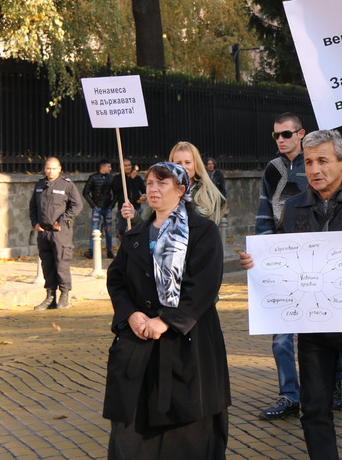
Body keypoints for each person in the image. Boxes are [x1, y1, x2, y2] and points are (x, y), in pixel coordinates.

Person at [240, 130, 342, 460]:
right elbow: (280, 255)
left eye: (323, 161)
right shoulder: (295, 207)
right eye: (309, 162)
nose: (314, 169)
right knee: (313, 408)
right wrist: (258, 263)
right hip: (312, 326)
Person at [104, 162, 230, 459]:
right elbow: (116, 279)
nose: (153, 189)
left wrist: (167, 321)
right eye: (149, 183)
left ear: (181, 190)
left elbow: (204, 285)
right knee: (134, 430)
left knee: (187, 432)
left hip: (187, 344)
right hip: (140, 344)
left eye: (162, 183)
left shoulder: (202, 231)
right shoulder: (137, 234)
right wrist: (130, 315)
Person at [256, 112, 309, 420]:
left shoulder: (315, 160)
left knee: (322, 328)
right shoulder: (272, 168)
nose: (280, 140)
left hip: (315, 256)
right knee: (281, 333)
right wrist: (264, 249)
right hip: (281, 256)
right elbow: (264, 208)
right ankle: (289, 394)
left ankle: (330, 391)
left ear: (301, 134)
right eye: (276, 135)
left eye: (286, 134)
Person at [30, 157, 83, 310]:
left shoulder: (67, 185)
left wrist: (63, 220)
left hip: (60, 232)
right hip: (44, 232)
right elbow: (33, 206)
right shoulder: (40, 185)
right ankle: (50, 297)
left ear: (59, 169)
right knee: (47, 264)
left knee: (61, 264)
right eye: (48, 168)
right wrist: (35, 223)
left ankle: (64, 296)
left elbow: (77, 205)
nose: (50, 171)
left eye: (53, 168)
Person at [169, 142, 226, 224]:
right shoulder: (163, 191)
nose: (183, 168)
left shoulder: (208, 192)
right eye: (178, 163)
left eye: (188, 162)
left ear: (196, 164)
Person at [83, 158, 115, 258]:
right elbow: (85, 192)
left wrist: (112, 204)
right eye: (108, 167)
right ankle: (92, 251)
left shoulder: (111, 178)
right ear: (103, 167)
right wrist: (93, 205)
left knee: (108, 229)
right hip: (97, 207)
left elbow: (116, 192)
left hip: (107, 207)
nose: (110, 169)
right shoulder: (93, 178)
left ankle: (109, 250)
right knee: (94, 229)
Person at [112, 158, 147, 238]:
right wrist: (130, 178)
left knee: (136, 229)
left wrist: (144, 196)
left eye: (129, 165)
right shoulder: (117, 178)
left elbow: (144, 190)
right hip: (123, 208)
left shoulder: (137, 178)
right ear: (121, 167)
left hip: (136, 208)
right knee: (120, 230)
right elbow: (117, 188)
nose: (128, 167)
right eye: (126, 165)